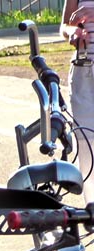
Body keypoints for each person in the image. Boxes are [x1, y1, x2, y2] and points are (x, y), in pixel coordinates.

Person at [62, 0, 94, 200]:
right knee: (86, 145)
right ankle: (92, 211)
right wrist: (72, 32)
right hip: (84, 69)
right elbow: (64, 25)